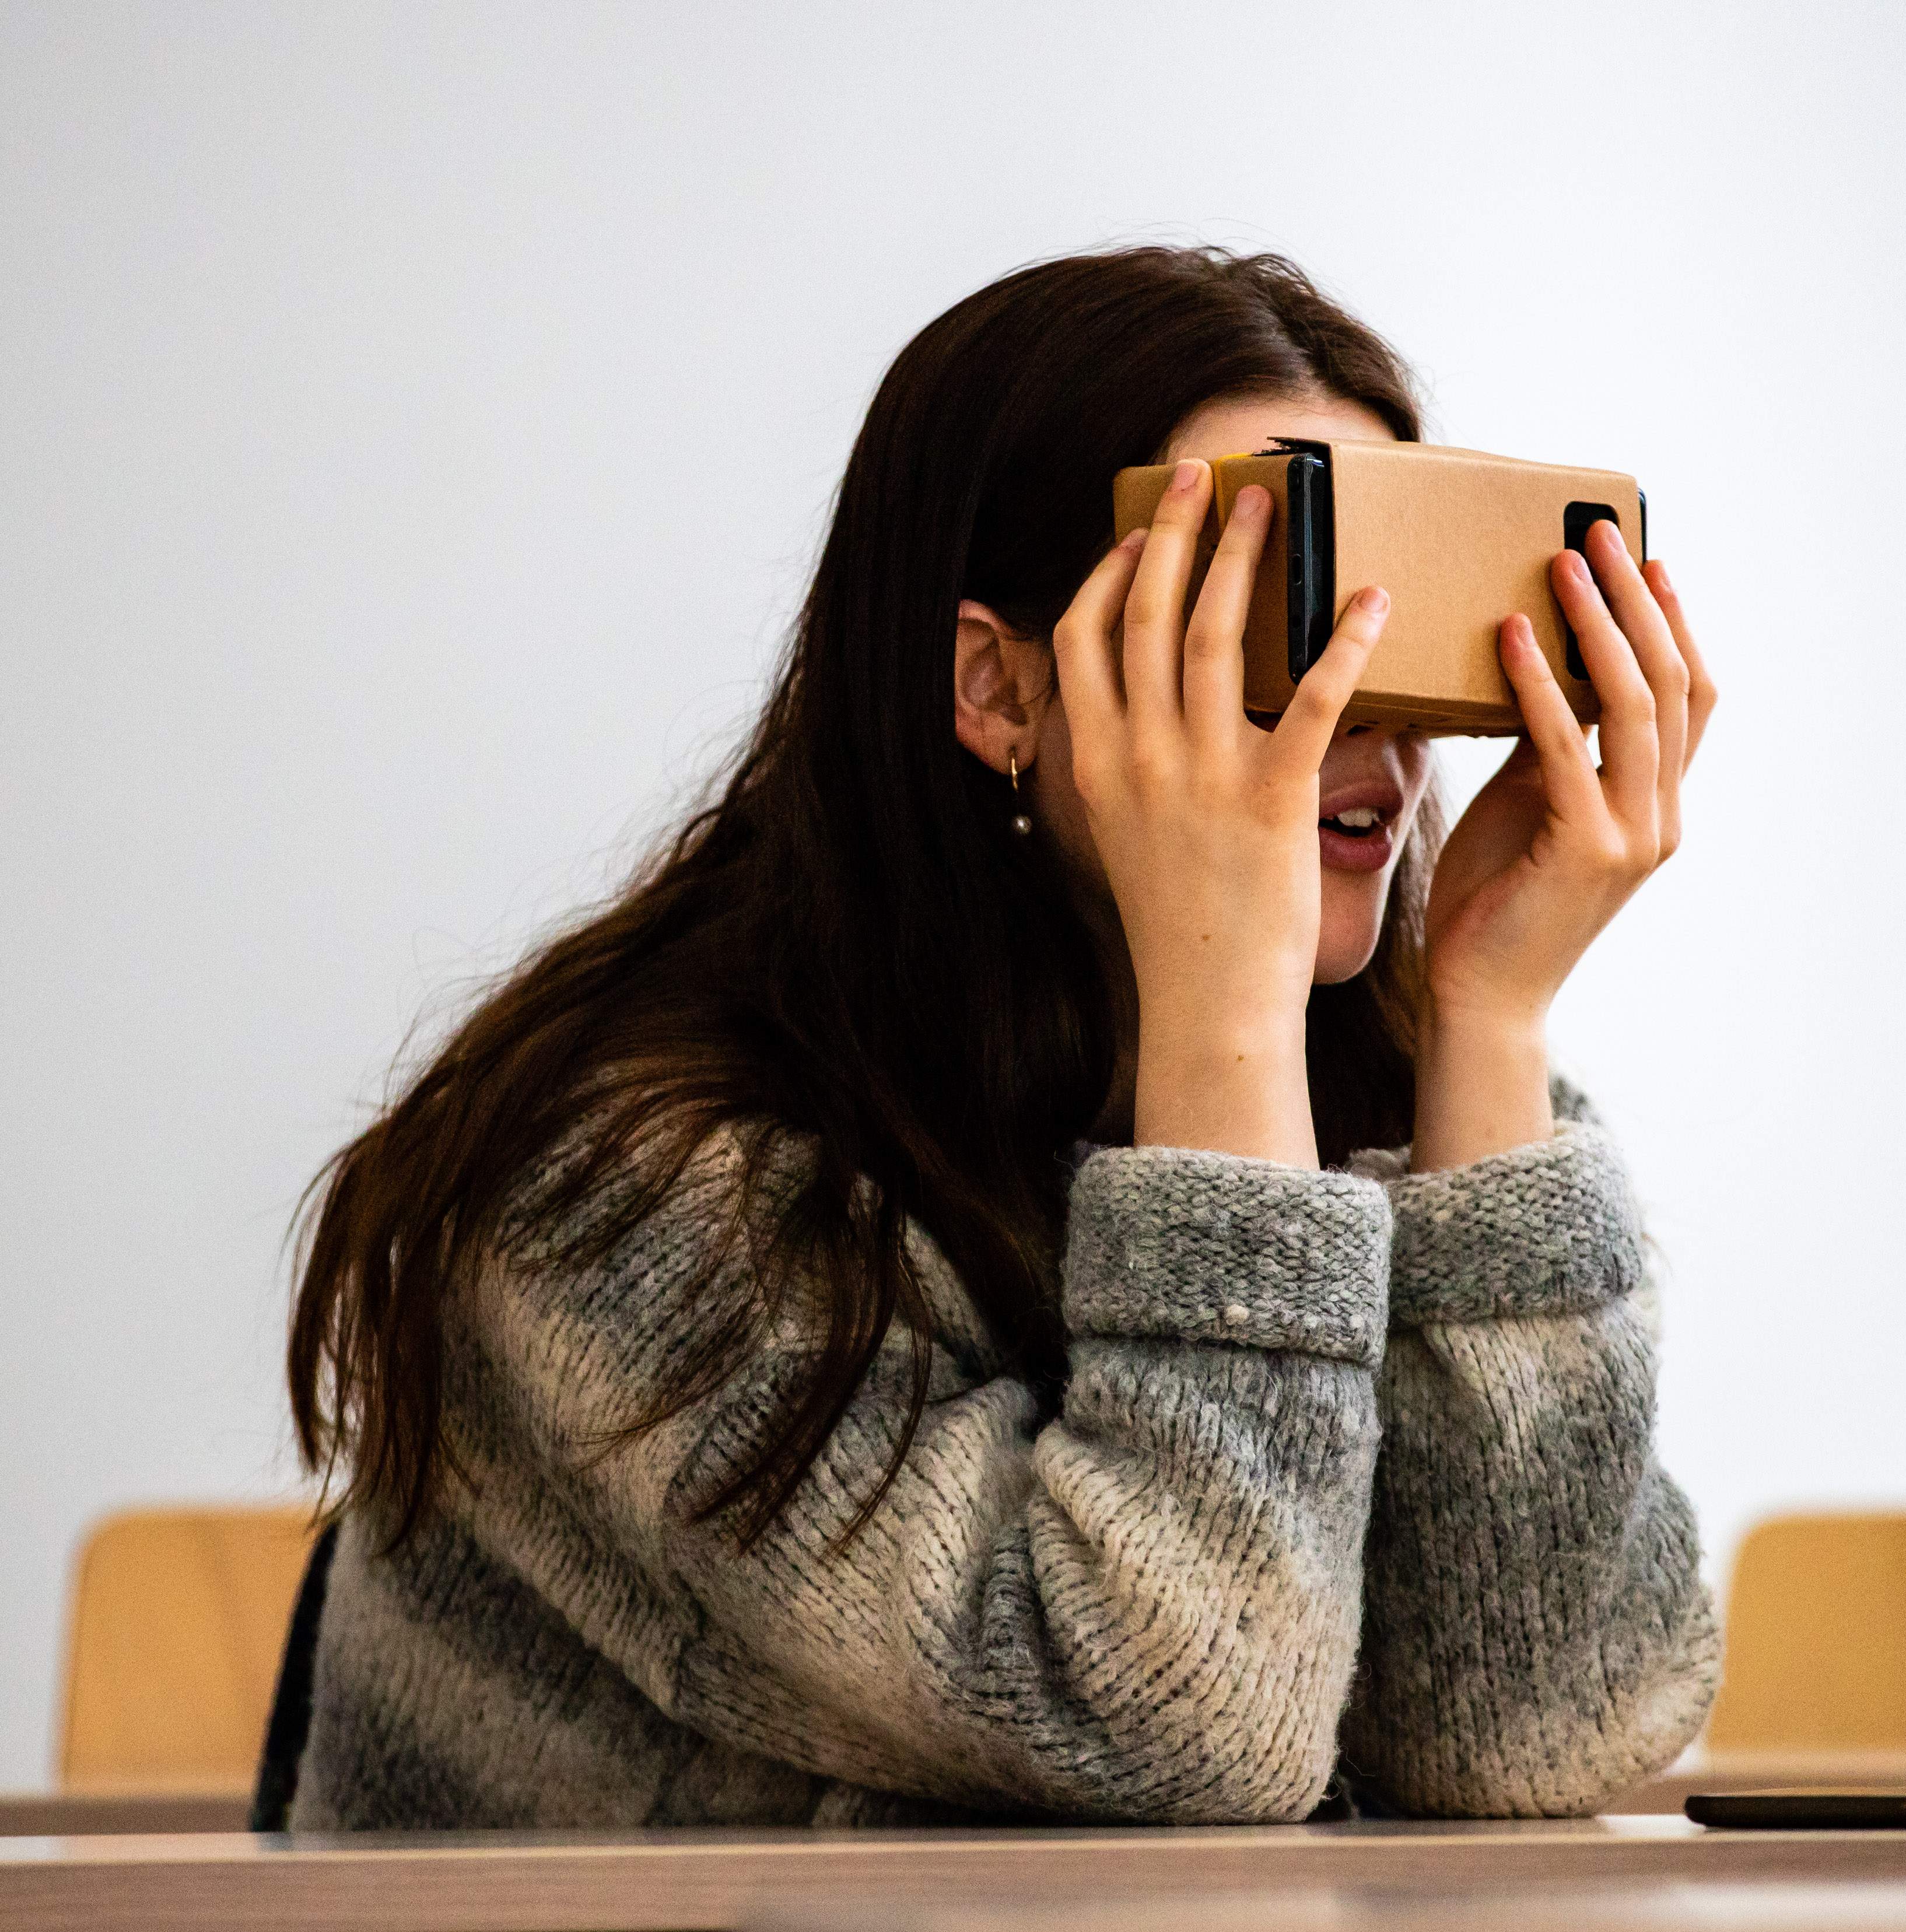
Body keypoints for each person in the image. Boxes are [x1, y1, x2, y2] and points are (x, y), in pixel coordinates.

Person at [272, 246, 1723, 1829]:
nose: (1355, 704)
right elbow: (1184, 1733)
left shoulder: (1367, 1091)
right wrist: (1225, 1023)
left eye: (1393, 611)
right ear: (998, 685)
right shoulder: (615, 1194)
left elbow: (1523, 1738)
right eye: (1255, 614)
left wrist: (1489, 1019)